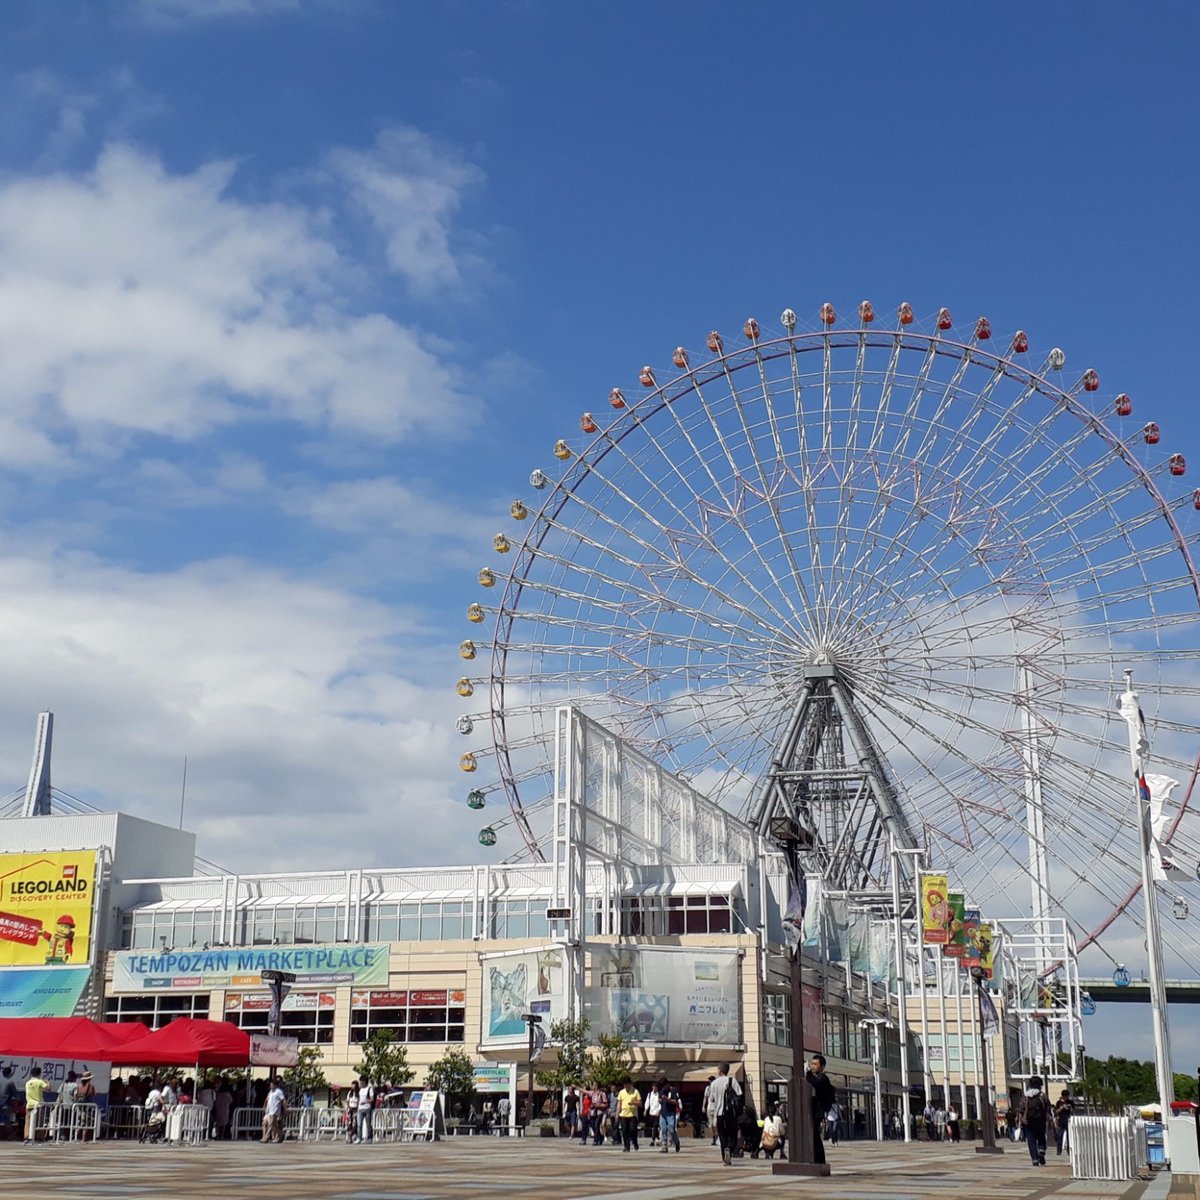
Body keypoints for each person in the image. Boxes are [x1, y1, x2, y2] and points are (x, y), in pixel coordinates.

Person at [706, 1062, 742, 1166]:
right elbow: (739, 1096)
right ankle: (730, 1150)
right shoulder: (732, 1081)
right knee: (733, 1136)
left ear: (719, 1071)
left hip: (719, 1114)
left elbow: (711, 1099)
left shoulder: (714, 1083)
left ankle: (725, 1156)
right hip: (731, 1113)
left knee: (722, 1136)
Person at [806, 1054, 836, 1166]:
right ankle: (815, 1159)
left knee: (814, 1135)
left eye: (815, 1064)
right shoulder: (814, 1077)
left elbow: (815, 1083)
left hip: (818, 1112)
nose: (812, 1066)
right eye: (811, 1064)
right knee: (813, 1135)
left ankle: (819, 1160)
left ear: (822, 1066)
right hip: (811, 1110)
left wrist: (808, 1073)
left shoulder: (823, 1078)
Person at [1020, 1075, 1050, 1167]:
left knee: (1031, 1141)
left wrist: (1021, 1119)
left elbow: (1021, 1109)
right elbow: (1047, 1107)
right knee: (1041, 1137)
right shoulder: (1042, 1095)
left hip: (1028, 1122)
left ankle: (1035, 1160)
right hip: (1040, 1121)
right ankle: (1041, 1151)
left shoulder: (1025, 1096)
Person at [616, 1077, 641, 1151]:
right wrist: (617, 1114)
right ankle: (627, 1146)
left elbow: (640, 1103)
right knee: (624, 1130)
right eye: (624, 1085)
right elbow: (619, 1104)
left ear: (630, 1084)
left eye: (627, 1085)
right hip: (623, 1114)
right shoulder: (621, 1092)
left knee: (632, 1130)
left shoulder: (635, 1091)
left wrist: (634, 1103)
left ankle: (635, 1141)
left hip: (632, 1115)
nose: (626, 1087)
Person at [23, 1067, 48, 1143]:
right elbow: (48, 1088)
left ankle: (26, 1137)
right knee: (39, 1122)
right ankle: (39, 1137)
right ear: (39, 1073)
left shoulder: (27, 1082)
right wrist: (48, 1082)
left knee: (28, 1122)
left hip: (29, 1104)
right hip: (38, 1105)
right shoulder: (40, 1082)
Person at [658, 1077, 682, 1153]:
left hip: (671, 1112)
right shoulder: (662, 1091)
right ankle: (664, 1146)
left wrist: (668, 1100)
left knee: (671, 1128)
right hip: (663, 1112)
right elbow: (659, 1099)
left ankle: (676, 1141)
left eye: (665, 1086)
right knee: (663, 1129)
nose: (664, 1088)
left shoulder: (673, 1090)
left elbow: (676, 1102)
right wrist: (660, 1100)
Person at [262, 1078, 286, 1143]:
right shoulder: (270, 1092)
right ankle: (280, 1136)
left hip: (275, 1110)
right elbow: (267, 1100)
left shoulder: (279, 1092)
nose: (270, 1086)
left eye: (272, 1085)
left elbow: (283, 1100)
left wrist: (285, 1108)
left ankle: (266, 1138)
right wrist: (265, 1107)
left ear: (275, 1085)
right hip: (270, 1110)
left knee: (271, 1124)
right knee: (274, 1125)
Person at [1054, 1089, 1074, 1156]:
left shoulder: (1070, 1102)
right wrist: (1062, 1107)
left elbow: (1073, 1110)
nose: (1066, 1098)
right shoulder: (1059, 1102)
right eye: (1065, 1096)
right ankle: (1059, 1151)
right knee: (1060, 1136)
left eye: (1067, 1096)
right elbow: (1056, 1111)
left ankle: (1069, 1151)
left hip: (1068, 1121)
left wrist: (1070, 1108)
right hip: (1061, 1121)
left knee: (1069, 1137)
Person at [357, 1078, 376, 1144]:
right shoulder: (360, 1089)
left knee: (368, 1124)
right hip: (360, 1108)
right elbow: (359, 1099)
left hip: (367, 1108)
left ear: (364, 1082)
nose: (360, 1083)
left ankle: (370, 1138)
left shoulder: (369, 1089)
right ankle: (359, 1138)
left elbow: (372, 1099)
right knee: (359, 1124)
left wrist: (365, 1102)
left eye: (361, 1082)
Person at [644, 1080, 661, 1145]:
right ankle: (657, 1138)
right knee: (653, 1127)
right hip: (651, 1112)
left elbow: (660, 1104)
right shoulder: (650, 1094)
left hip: (657, 1113)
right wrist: (645, 1110)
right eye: (653, 1087)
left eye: (655, 1087)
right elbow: (647, 1102)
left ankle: (652, 1140)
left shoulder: (659, 1094)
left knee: (655, 1126)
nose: (654, 1088)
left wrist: (658, 1111)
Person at [702, 1075, 717, 1145]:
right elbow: (705, 1097)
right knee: (711, 1125)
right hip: (709, 1107)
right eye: (710, 1081)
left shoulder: (717, 1088)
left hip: (716, 1108)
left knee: (716, 1124)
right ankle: (714, 1138)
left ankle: (717, 1137)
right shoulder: (707, 1088)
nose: (710, 1082)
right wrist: (703, 1106)